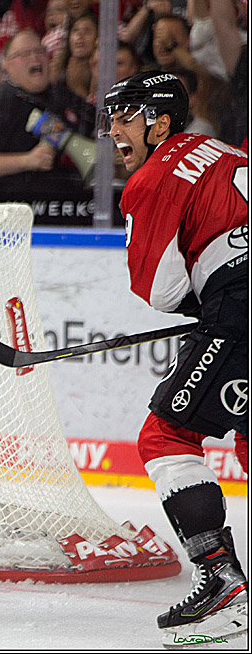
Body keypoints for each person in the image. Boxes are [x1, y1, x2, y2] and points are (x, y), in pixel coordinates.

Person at [101, 70, 248, 646]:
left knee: (166, 437)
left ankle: (222, 584)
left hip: (239, 305)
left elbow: (158, 289)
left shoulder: (155, 176)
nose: (114, 127)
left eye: (126, 115)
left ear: (160, 122)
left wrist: (217, 306)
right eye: (111, 116)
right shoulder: (227, 151)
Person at [0, 29, 94, 194]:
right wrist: (27, 160)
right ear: (6, 65)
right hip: (11, 210)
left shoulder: (63, 97)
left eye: (39, 51)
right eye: (25, 54)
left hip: (68, 205)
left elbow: (94, 130)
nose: (35, 58)